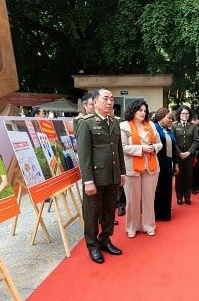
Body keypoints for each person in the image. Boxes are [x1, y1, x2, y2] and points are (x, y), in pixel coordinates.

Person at [76, 88, 126, 264]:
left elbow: (118, 149)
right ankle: (92, 245)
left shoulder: (114, 122)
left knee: (109, 210)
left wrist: (122, 172)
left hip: (112, 175)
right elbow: (84, 155)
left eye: (112, 99)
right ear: (95, 102)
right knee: (92, 212)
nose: (110, 102)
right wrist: (88, 180)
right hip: (95, 178)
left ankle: (105, 239)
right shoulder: (86, 123)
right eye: (106, 99)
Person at [119, 100, 161, 237]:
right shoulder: (124, 126)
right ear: (133, 110)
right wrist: (142, 148)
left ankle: (149, 225)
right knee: (132, 199)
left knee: (149, 198)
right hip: (132, 168)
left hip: (151, 166)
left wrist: (154, 148)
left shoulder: (151, 125)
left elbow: (159, 143)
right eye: (140, 110)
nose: (143, 113)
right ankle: (132, 227)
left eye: (145, 111)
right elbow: (123, 148)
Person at [152, 108, 179, 221]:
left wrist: (176, 163)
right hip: (156, 161)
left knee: (167, 187)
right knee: (156, 188)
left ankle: (164, 213)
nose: (171, 120)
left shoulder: (169, 130)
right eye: (169, 118)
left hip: (168, 163)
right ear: (161, 117)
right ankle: (155, 213)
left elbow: (174, 148)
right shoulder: (153, 127)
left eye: (172, 119)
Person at [173, 105, 199, 205]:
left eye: (187, 113)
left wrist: (189, 152)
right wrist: (179, 153)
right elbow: (173, 141)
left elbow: (196, 140)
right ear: (179, 114)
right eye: (183, 113)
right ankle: (179, 197)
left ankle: (187, 196)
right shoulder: (174, 126)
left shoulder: (193, 126)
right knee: (179, 177)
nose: (185, 115)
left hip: (190, 156)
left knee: (188, 177)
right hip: (178, 156)